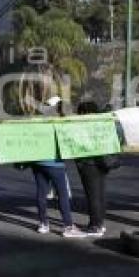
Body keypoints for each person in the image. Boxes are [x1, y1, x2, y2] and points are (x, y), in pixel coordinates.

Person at [31, 96, 84, 238]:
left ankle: (43, 224)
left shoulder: (36, 121)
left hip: (37, 162)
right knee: (62, 194)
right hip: (55, 163)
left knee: (41, 193)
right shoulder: (60, 122)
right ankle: (68, 226)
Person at [73, 101, 118, 237]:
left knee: (92, 196)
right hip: (102, 163)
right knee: (100, 194)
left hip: (89, 164)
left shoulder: (83, 127)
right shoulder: (101, 125)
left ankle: (95, 226)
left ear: (83, 113)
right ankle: (100, 223)